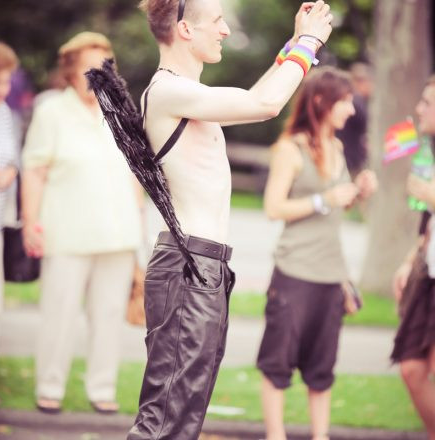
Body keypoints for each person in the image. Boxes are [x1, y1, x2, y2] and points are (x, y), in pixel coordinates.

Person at [127, 1, 333, 439]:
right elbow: (265, 103)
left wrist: (295, 45)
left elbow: (254, 98)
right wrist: (311, 43)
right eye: (217, 22)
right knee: (166, 419)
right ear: (184, 29)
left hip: (203, 268)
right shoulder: (167, 91)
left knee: (183, 416)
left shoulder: (187, 95)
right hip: (188, 266)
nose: (223, 31)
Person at [21, 32, 143, 414]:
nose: (97, 74)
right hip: (66, 230)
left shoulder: (121, 112)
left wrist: (138, 233)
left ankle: (101, 387)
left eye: (105, 66)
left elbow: (135, 175)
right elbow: (35, 171)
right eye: (89, 67)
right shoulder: (51, 111)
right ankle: (50, 387)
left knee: (108, 316)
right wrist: (29, 222)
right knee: (59, 313)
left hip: (118, 233)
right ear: (71, 72)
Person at [256, 67, 377, 440]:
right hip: (294, 274)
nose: (352, 110)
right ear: (322, 102)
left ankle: (319, 436)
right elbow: (273, 208)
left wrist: (358, 192)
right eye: (344, 102)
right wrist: (324, 199)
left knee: (322, 371)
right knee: (278, 366)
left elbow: (333, 210)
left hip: (330, 276)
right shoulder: (289, 150)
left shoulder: (339, 149)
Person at [391, 74, 435, 440]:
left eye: (427, 103)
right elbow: (429, 225)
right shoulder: (428, 152)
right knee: (411, 367)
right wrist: (410, 260)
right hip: (429, 275)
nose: (419, 108)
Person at [0, 41, 20, 359]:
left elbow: (12, 158)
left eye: (5, 81)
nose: (2, 89)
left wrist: (10, 171)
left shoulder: (3, 113)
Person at [336, 62, 373, 176]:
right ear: (362, 82)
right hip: (351, 160)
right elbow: (365, 123)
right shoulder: (357, 101)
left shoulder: (351, 101)